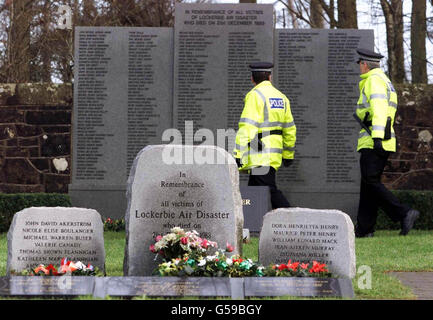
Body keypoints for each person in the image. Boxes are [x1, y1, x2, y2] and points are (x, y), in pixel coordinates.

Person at [354, 48, 419, 237]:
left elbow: (380, 109)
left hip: (375, 139)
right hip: (383, 138)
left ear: (365, 64)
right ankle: (365, 229)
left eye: (360, 64)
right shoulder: (385, 81)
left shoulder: (373, 81)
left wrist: (376, 137)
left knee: (371, 183)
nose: (359, 68)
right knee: (368, 184)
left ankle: (404, 213)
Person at [233, 62, 296, 209]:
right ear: (270, 77)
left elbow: (247, 127)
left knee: (269, 191)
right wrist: (288, 154)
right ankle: (251, 225)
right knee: (253, 193)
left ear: (252, 79)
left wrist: (238, 153)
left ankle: (293, 219)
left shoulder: (255, 96)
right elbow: (290, 129)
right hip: (273, 154)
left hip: (259, 153)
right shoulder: (282, 97)